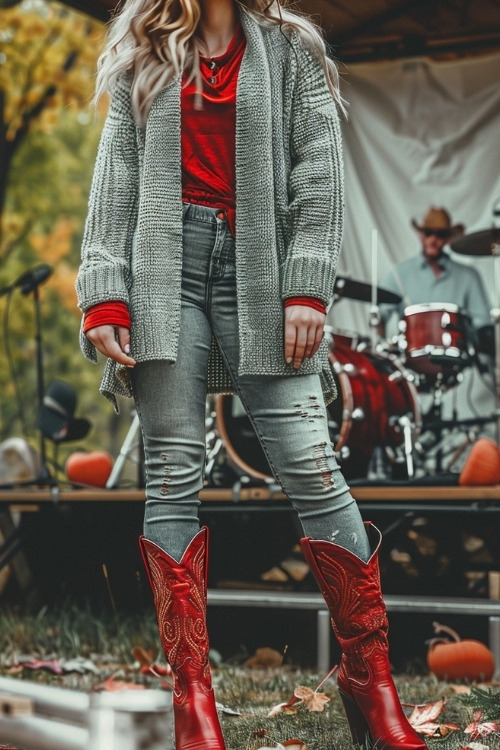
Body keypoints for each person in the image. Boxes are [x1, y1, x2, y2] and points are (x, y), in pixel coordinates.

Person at [76, 1, 426, 748]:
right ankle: (191, 702)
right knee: (171, 471)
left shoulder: (289, 47)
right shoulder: (146, 46)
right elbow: (117, 175)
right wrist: (103, 287)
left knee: (312, 465)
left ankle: (371, 686)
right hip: (164, 273)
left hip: (260, 272)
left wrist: (307, 284)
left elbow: (319, 167)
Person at [378, 206, 491, 338]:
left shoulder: (468, 276)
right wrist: (381, 344)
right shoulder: (398, 273)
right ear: (420, 235)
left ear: (449, 238)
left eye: (440, 234)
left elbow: (483, 325)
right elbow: (379, 316)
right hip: (410, 354)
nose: (433, 239)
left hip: (457, 354)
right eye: (428, 232)